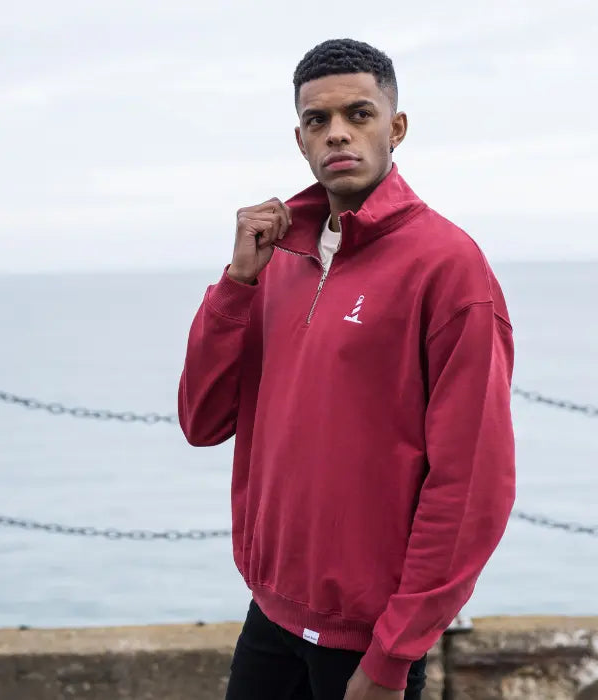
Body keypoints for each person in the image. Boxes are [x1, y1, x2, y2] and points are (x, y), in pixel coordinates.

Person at [178, 38, 515, 700]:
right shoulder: (276, 256)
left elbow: (472, 483)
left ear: (396, 127)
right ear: (300, 139)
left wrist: (394, 653)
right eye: (317, 120)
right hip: (271, 613)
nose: (337, 133)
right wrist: (237, 284)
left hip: (367, 637)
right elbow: (202, 420)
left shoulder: (447, 266)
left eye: (359, 114)